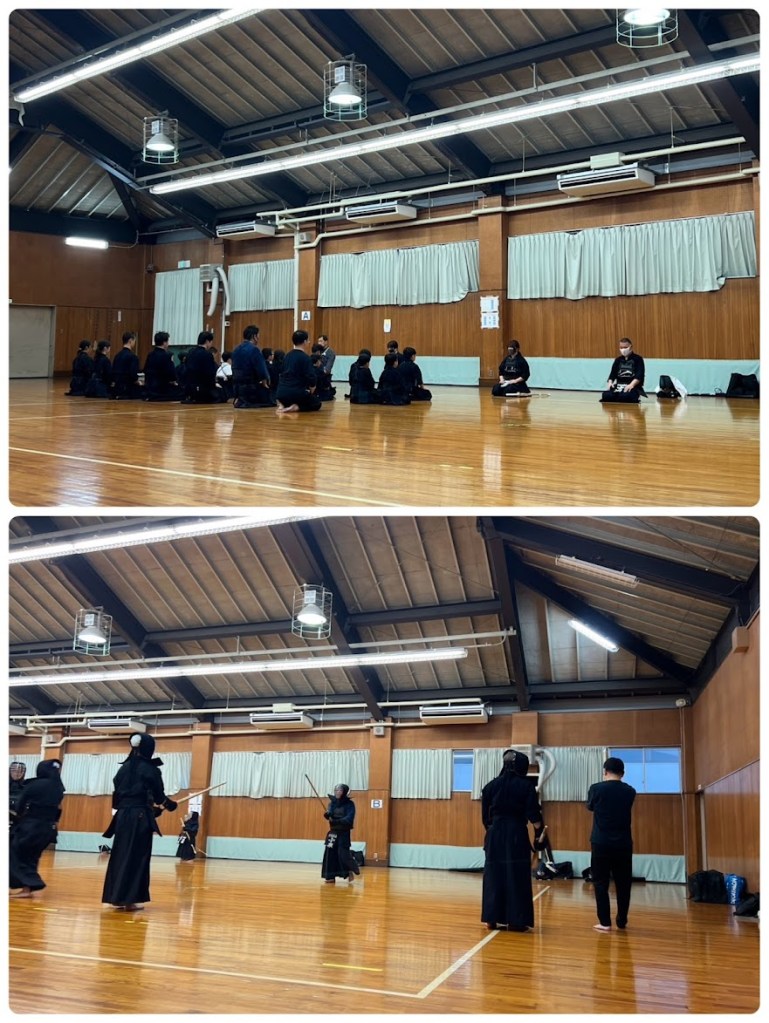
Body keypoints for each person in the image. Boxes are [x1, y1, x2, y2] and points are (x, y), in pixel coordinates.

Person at [101, 732, 178, 911]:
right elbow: (159, 796)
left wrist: (150, 809)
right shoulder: (150, 769)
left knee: (120, 855)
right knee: (137, 856)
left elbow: (122, 796)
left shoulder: (123, 768)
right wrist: (169, 805)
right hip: (139, 818)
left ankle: (116, 897)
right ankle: (129, 899)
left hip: (122, 816)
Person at [481, 749, 546, 932]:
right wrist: (539, 836)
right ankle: (517, 921)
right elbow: (534, 817)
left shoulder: (489, 786)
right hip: (516, 834)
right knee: (517, 875)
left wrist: (493, 832)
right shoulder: (526, 787)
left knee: (493, 874)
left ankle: (491, 919)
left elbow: (485, 819)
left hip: (494, 834)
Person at [586, 756, 636, 931]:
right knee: (624, 883)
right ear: (622, 773)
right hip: (623, 843)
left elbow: (590, 807)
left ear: (605, 771)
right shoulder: (630, 791)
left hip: (600, 842)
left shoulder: (596, 788)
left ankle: (605, 922)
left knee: (600, 883)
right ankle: (622, 920)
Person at [9, 759, 65, 898]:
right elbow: (58, 809)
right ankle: (26, 888)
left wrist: (19, 815)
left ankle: (29, 885)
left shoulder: (34, 785)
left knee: (16, 855)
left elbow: (19, 807)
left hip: (31, 828)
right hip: (48, 829)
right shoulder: (59, 788)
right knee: (31, 858)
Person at [321, 784, 360, 884]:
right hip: (333, 833)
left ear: (344, 792)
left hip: (344, 833)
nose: (337, 792)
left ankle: (350, 870)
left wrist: (338, 821)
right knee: (330, 854)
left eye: (340, 790)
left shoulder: (350, 804)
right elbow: (330, 813)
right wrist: (327, 815)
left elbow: (349, 818)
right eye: (336, 790)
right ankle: (330, 876)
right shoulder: (332, 803)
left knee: (343, 854)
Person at [276, 330, 322, 412]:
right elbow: (311, 376)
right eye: (308, 340)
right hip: (296, 392)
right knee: (316, 403)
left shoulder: (287, 356)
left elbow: (281, 373)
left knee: (289, 398)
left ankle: (282, 404)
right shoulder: (305, 358)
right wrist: (312, 387)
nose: (309, 342)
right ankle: (296, 407)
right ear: (304, 341)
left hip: (281, 392)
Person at [231, 325, 274, 408]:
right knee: (270, 398)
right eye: (258, 335)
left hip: (237, 388)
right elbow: (261, 369)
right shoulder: (254, 349)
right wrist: (265, 382)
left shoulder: (236, 349)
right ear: (254, 336)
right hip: (250, 388)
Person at [182, 331, 227, 403]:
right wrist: (214, 384)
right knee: (223, 393)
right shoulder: (207, 354)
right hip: (203, 389)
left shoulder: (190, 352)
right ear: (207, 341)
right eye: (211, 342)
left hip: (190, 388)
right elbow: (210, 373)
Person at [601, 338, 646, 403]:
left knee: (625, 396)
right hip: (619, 386)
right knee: (606, 395)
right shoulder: (618, 360)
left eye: (625, 347)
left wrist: (631, 385)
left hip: (632, 386)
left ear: (630, 347)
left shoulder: (638, 359)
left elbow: (639, 375)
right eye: (621, 347)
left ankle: (634, 395)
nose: (623, 349)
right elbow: (612, 374)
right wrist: (610, 383)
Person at [143, 331, 180, 401]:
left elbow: (146, 370)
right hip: (161, 390)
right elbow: (172, 375)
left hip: (149, 389)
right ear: (164, 343)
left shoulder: (150, 355)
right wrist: (171, 362)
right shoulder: (167, 355)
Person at [112, 331, 144, 399]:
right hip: (128, 389)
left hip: (117, 388)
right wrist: (138, 382)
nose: (134, 343)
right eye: (134, 341)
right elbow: (133, 375)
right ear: (130, 341)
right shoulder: (133, 357)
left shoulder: (117, 356)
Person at [9, 761, 27, 828]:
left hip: (19, 821)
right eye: (14, 771)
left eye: (20, 771)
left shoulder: (27, 786)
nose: (16, 774)